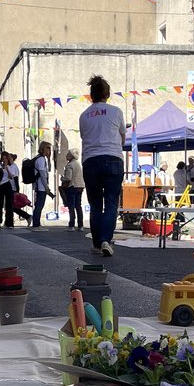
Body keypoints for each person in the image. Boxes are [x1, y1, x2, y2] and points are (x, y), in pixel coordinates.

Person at [78, 75, 124, 257]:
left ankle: (98, 243)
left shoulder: (84, 116)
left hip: (91, 161)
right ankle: (106, 239)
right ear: (107, 94)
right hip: (113, 158)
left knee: (95, 204)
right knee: (111, 202)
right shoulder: (116, 111)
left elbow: (84, 137)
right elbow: (122, 138)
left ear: (91, 95)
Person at [61, 150, 84, 231]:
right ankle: (80, 225)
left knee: (71, 206)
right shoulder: (78, 164)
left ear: (71, 156)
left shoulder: (70, 165)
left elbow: (68, 178)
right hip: (80, 186)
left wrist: (62, 179)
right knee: (78, 206)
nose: (66, 156)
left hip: (72, 186)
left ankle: (72, 225)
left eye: (68, 154)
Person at [31, 141, 53, 229]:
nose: (49, 150)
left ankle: (37, 222)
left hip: (41, 186)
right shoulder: (40, 159)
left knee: (40, 205)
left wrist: (49, 159)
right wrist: (46, 187)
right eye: (48, 148)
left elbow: (49, 170)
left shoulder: (43, 159)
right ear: (43, 148)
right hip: (40, 186)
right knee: (39, 205)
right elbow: (43, 174)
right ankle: (36, 223)